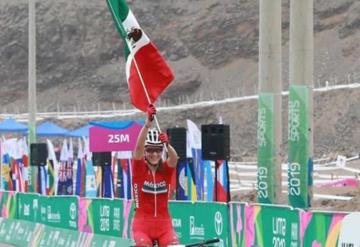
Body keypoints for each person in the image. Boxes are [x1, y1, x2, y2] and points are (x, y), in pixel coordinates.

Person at [131, 104, 179, 247]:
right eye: (150, 150)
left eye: (158, 150)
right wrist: (147, 124)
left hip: (164, 226)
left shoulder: (165, 169)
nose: (154, 154)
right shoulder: (139, 170)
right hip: (142, 226)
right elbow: (138, 149)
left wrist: (167, 145)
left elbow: (174, 159)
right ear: (146, 153)